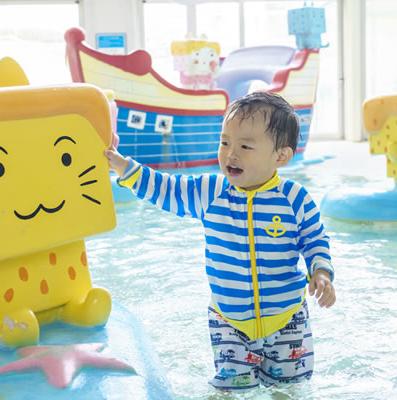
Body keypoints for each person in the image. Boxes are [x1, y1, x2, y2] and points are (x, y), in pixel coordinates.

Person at [105, 91, 336, 391]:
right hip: (230, 321)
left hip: (288, 318)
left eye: (245, 146)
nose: (231, 153)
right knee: (231, 391)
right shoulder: (210, 192)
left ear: (280, 156)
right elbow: (167, 189)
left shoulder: (293, 199)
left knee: (290, 390)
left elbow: (315, 238)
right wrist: (124, 167)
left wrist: (321, 271)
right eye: (225, 142)